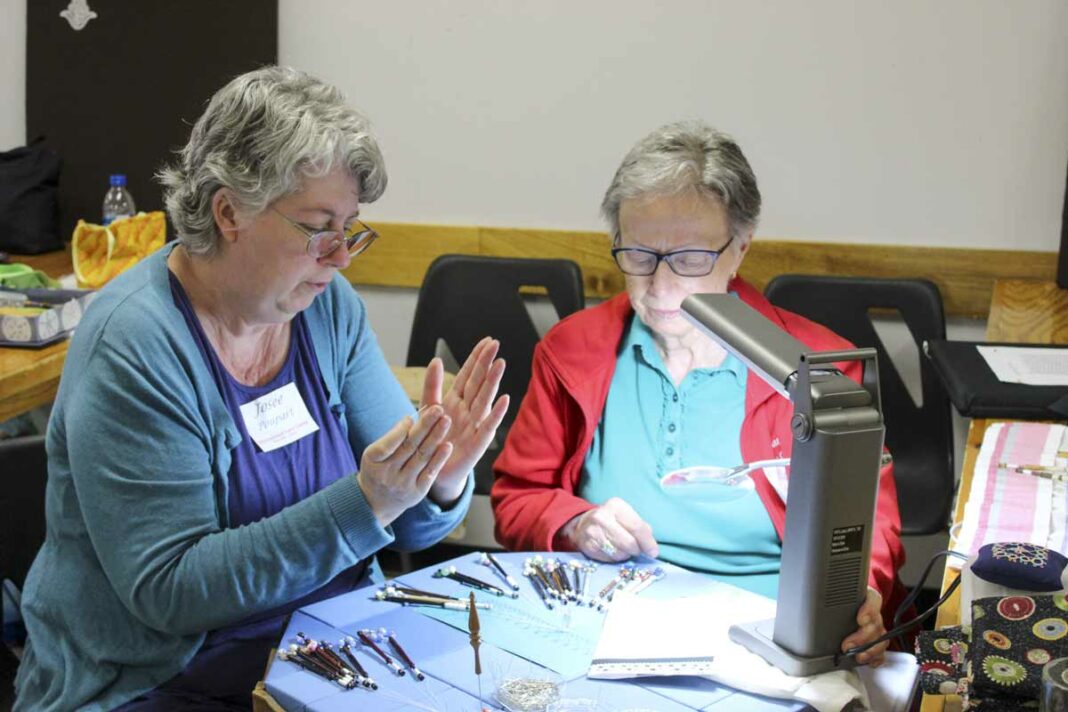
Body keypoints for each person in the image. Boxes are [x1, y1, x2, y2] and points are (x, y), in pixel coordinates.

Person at [14, 66, 508, 711]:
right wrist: (365, 502)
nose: (340, 255)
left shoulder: (329, 311)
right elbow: (171, 592)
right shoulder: (135, 345)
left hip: (332, 649)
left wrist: (441, 475)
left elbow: (409, 524)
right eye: (317, 226)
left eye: (350, 226)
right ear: (228, 212)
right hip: (163, 678)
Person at [491, 120, 906, 667]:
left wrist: (862, 599)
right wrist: (575, 523)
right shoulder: (574, 352)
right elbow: (517, 498)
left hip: (766, 637)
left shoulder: (818, 367)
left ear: (739, 249)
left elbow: (869, 532)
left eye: (689, 260)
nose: (660, 286)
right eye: (639, 256)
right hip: (606, 624)